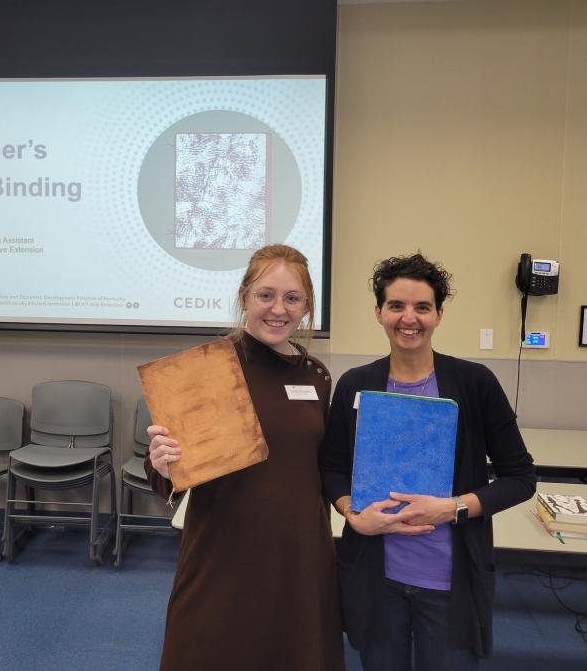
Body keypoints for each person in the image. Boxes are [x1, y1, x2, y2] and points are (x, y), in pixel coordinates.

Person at [320, 253, 536, 671]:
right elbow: (331, 468)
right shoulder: (355, 385)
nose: (409, 318)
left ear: (439, 314)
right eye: (396, 306)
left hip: (449, 584)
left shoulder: (474, 383)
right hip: (375, 579)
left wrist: (452, 507)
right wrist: (351, 513)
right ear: (378, 312)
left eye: (422, 307)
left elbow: (521, 477)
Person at [146, 244, 344, 671]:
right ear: (244, 297)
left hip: (299, 554)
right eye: (265, 295)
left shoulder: (317, 377)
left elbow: (323, 466)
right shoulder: (208, 370)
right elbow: (168, 476)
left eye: (293, 298)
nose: (278, 309)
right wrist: (160, 462)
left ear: (307, 306)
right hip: (224, 551)